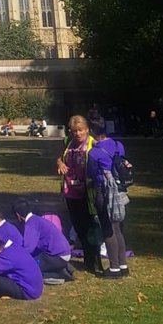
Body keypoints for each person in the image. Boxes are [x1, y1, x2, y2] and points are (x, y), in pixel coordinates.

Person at [56, 115, 99, 273]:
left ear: (87, 129)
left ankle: (94, 262)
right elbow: (59, 156)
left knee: (90, 227)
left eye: (80, 130)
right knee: (78, 227)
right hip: (70, 191)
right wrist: (60, 163)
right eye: (74, 131)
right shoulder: (68, 142)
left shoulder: (93, 144)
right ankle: (88, 259)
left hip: (88, 193)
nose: (78, 134)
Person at [88, 120, 130, 279]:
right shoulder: (119, 145)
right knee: (118, 228)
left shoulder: (94, 152)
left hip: (104, 191)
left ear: (92, 131)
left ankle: (114, 268)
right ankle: (123, 265)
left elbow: (91, 172)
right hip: (120, 190)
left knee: (108, 229)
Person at [12, 198, 73, 282]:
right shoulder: (37, 219)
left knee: (27, 269)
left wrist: (15, 257)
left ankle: (58, 274)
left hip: (57, 256)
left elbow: (28, 248)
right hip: (62, 253)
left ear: (18, 215)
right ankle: (60, 267)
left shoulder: (31, 224)